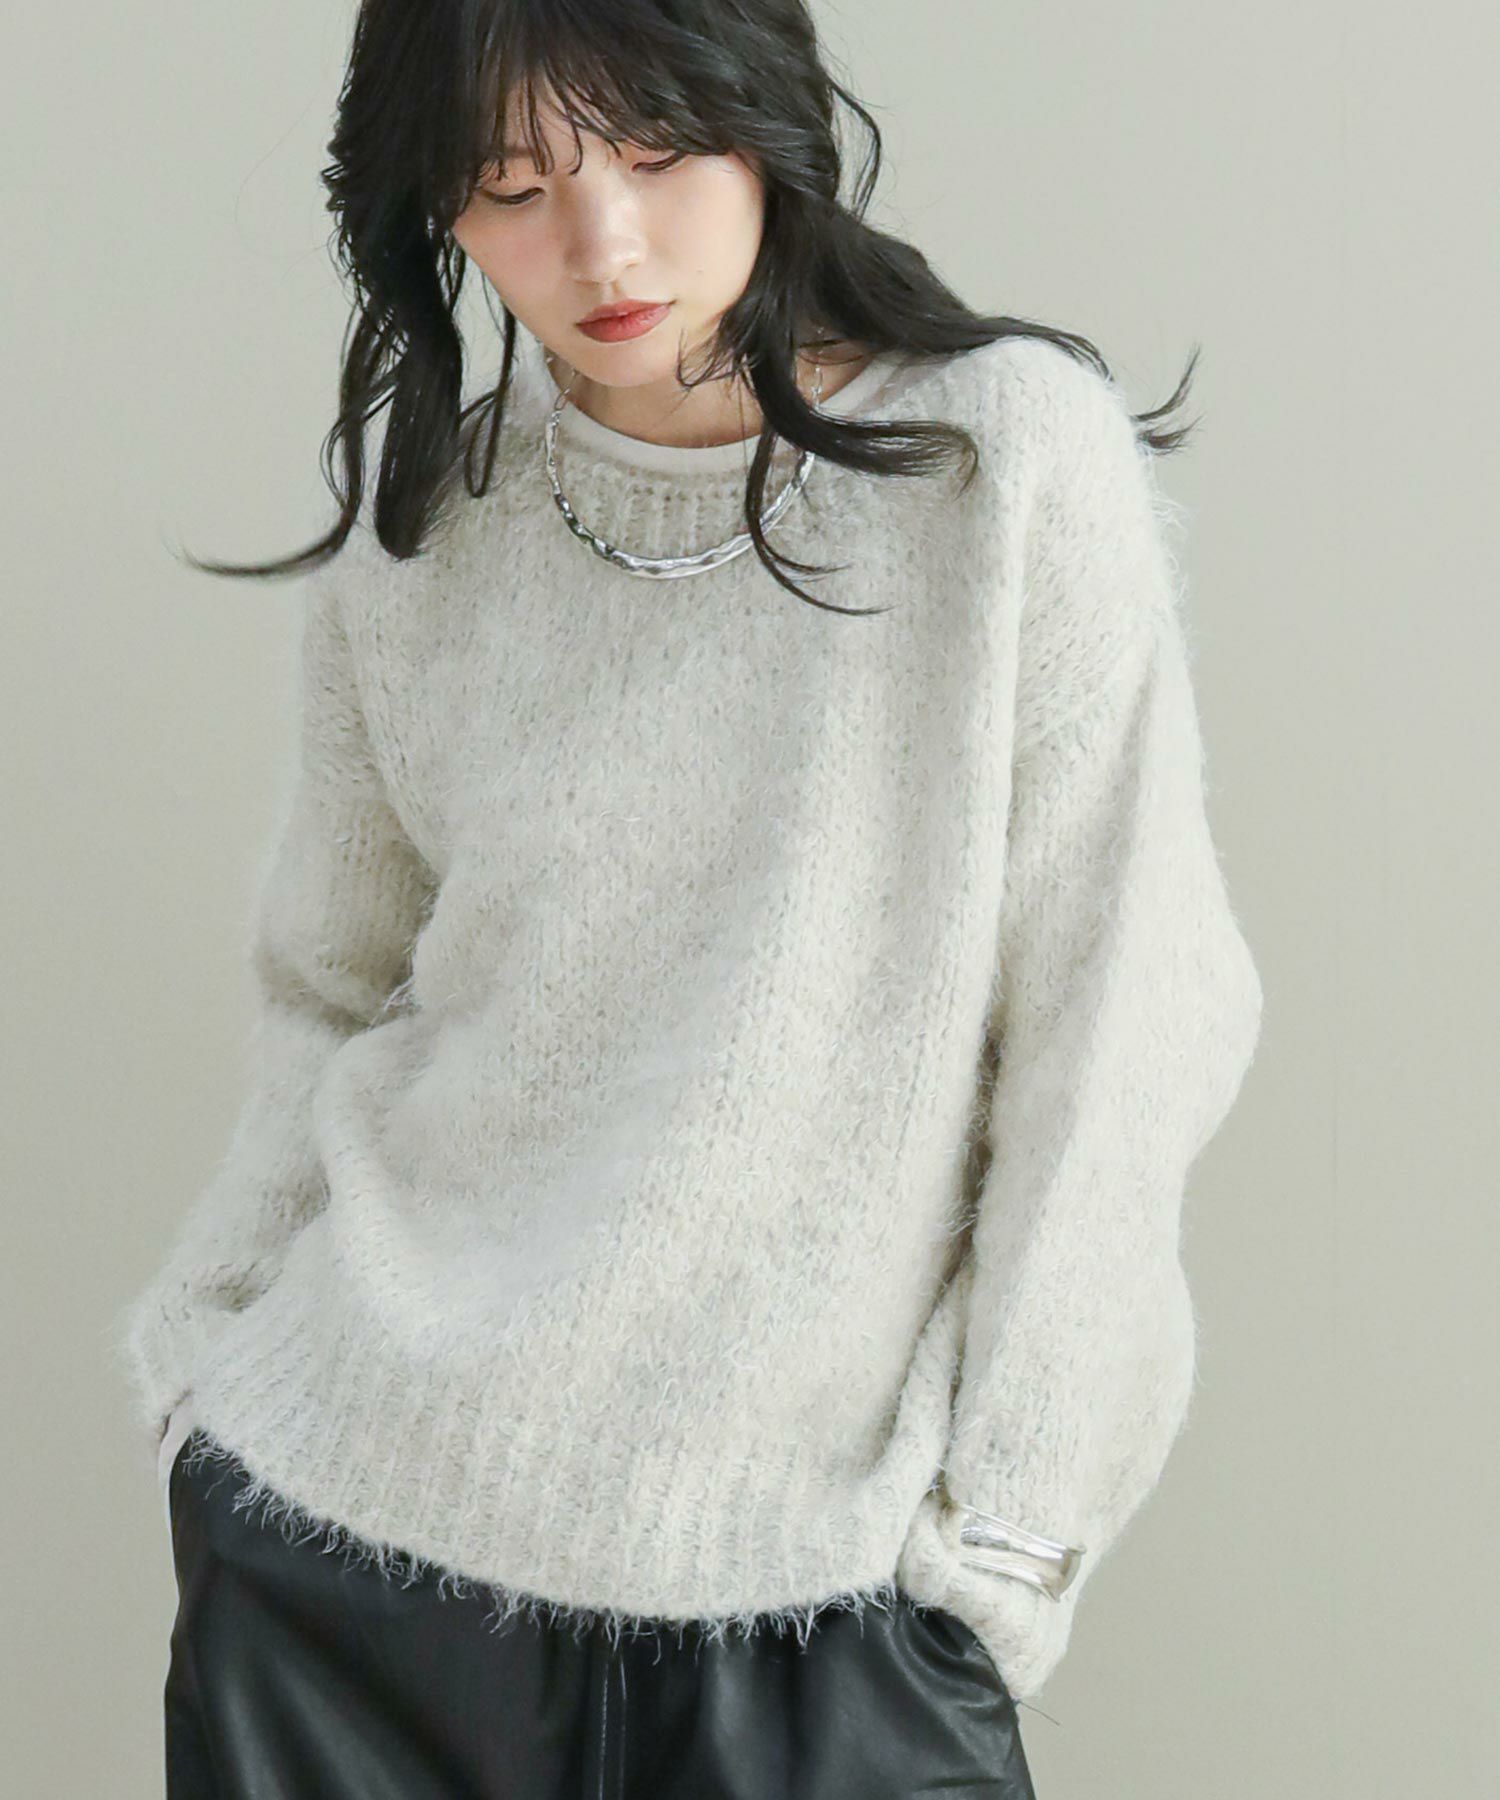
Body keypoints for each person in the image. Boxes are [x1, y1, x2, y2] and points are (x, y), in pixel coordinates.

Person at [118, 3, 1265, 1795]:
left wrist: (1012, 1534)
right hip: (351, 1573)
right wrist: (206, 1357)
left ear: (769, 117)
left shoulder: (1001, 466)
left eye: (655, 156)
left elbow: (1121, 1027)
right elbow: (332, 986)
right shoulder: (430, 525)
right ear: (434, 209)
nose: (603, 247)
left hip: (821, 1607)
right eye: (511, 185)